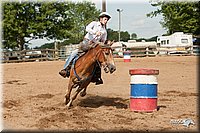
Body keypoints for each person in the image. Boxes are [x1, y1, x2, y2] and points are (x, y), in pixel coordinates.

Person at [59, 12, 111, 85]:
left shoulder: (104, 31)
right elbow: (87, 28)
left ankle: (97, 77)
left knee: (98, 60)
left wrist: (105, 42)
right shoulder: (94, 23)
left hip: (94, 46)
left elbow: (103, 40)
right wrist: (95, 32)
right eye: (105, 19)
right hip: (86, 43)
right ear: (101, 18)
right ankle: (65, 69)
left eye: (107, 20)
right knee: (74, 53)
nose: (106, 21)